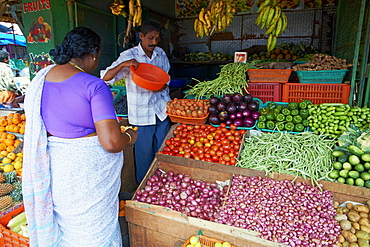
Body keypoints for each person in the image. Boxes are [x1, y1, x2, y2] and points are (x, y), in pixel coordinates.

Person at [22, 27, 138, 247]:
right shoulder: (93, 85)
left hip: (59, 170)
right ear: (93, 53)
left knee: (68, 227)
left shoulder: (42, 79)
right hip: (87, 176)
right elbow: (112, 143)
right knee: (94, 231)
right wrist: (130, 137)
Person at [102, 21, 171, 183]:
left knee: (162, 150)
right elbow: (106, 78)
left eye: (157, 39)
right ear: (141, 36)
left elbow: (166, 79)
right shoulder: (128, 56)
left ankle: (163, 184)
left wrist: (160, 87)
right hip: (142, 114)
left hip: (161, 110)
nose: (154, 42)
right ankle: (145, 186)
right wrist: (124, 65)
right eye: (150, 38)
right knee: (144, 154)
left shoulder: (160, 54)